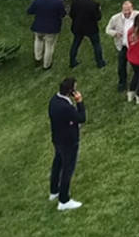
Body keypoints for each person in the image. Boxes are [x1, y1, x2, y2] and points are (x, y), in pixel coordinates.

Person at [48, 77, 86, 211]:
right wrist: (80, 102)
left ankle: (54, 191)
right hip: (69, 142)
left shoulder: (54, 100)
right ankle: (64, 200)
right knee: (67, 169)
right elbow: (82, 118)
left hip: (57, 139)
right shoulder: (66, 107)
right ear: (71, 91)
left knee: (57, 163)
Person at [28, 0, 66, 71]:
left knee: (38, 41)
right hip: (52, 28)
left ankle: (38, 58)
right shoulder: (59, 2)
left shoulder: (38, 0)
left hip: (38, 26)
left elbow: (30, 11)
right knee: (49, 46)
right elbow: (63, 14)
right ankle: (46, 65)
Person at [68, 0, 106, 69]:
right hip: (91, 28)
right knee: (96, 44)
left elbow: (71, 14)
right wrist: (99, 10)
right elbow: (98, 17)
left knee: (76, 44)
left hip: (78, 27)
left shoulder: (76, 1)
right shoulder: (94, 4)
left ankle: (72, 61)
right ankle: (100, 62)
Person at [105, 0, 139, 92]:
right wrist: (115, 33)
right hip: (123, 46)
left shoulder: (138, 16)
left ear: (132, 8)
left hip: (135, 45)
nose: (127, 13)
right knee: (121, 66)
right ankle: (122, 83)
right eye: (125, 10)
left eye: (129, 10)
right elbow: (108, 29)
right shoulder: (115, 18)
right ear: (122, 10)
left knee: (138, 65)